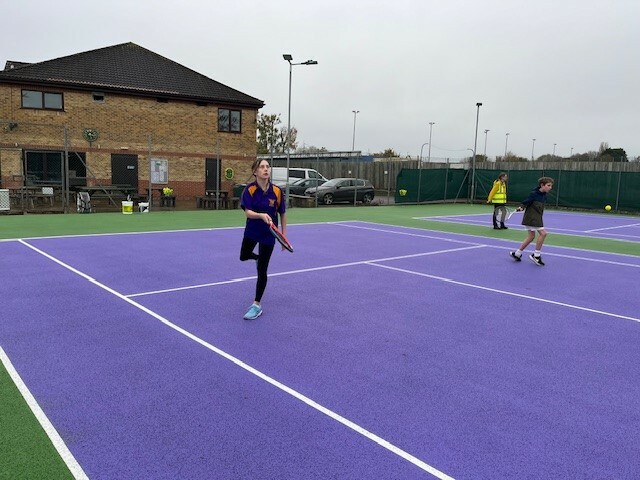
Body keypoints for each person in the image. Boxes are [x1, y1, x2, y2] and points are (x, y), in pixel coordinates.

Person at [239, 159, 287, 320]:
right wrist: (260, 215)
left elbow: (282, 213)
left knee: (262, 271)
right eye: (262, 167)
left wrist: (283, 235)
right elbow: (247, 212)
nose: (266, 169)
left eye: (267, 167)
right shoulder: (250, 189)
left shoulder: (277, 191)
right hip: (252, 231)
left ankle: (256, 304)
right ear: (255, 172)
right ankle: (257, 258)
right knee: (244, 256)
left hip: (269, 235)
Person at [509, 176, 554, 266]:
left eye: (551, 186)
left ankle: (517, 253)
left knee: (531, 236)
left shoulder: (544, 195)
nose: (550, 187)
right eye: (548, 185)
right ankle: (536, 255)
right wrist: (522, 207)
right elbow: (526, 201)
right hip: (532, 218)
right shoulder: (534, 194)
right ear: (542, 185)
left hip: (536, 217)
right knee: (543, 233)